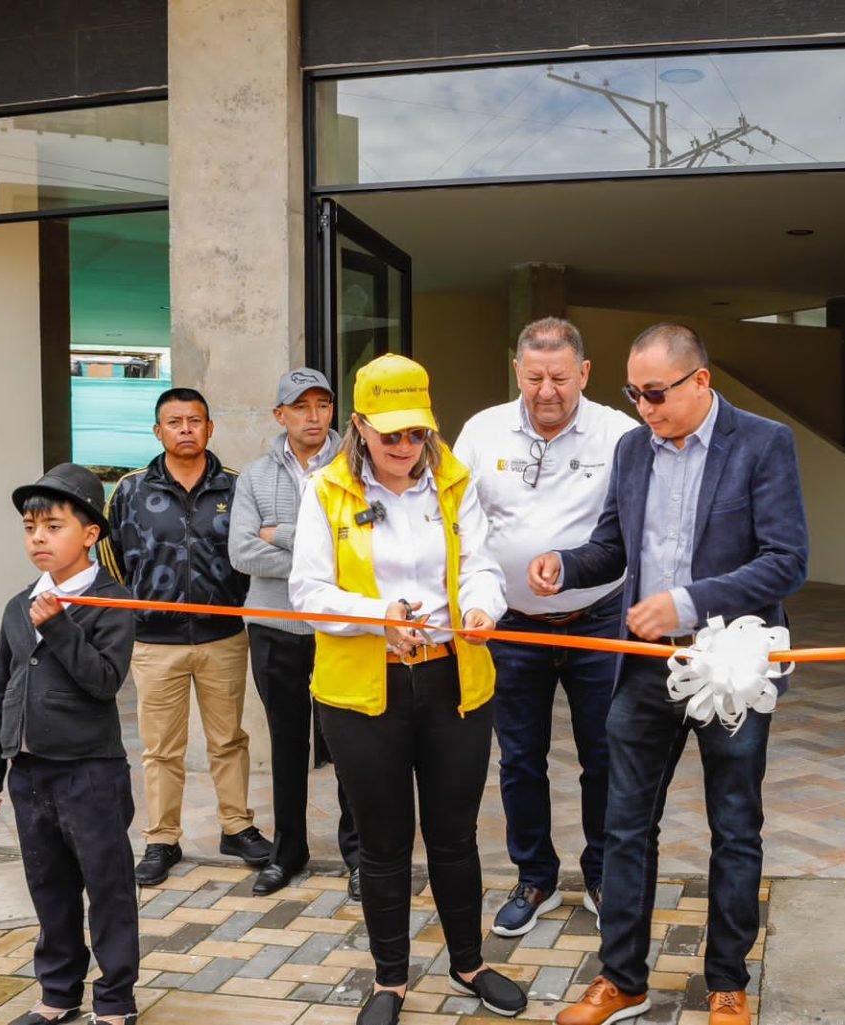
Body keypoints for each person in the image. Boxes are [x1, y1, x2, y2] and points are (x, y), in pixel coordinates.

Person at [534, 323, 809, 1025]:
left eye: (655, 393)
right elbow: (610, 546)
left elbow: (786, 561)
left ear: (700, 381)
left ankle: (727, 982)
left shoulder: (764, 443)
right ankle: (621, 978)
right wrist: (565, 564)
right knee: (625, 826)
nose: (643, 407)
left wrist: (686, 602)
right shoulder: (633, 449)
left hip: (732, 666)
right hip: (647, 668)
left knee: (735, 827)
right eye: (633, 393)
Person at [290, 353, 527, 1025]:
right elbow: (309, 590)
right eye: (389, 434)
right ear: (360, 426)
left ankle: (468, 962)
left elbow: (480, 565)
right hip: (363, 692)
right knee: (383, 840)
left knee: (454, 834)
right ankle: (390, 978)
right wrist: (378, 617)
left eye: (415, 432)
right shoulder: (327, 489)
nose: (403, 446)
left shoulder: (454, 481)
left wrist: (480, 607)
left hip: (454, 680)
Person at [453, 317, 637, 935]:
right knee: (520, 759)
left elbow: (639, 528)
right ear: (517, 371)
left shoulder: (620, 434)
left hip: (599, 618)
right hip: (511, 624)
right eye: (534, 378)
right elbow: (458, 523)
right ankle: (535, 877)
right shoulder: (481, 431)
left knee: (605, 754)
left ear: (584, 372)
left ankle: (603, 873)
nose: (546, 391)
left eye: (559, 378)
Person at [0, 464, 139, 1025]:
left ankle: (115, 1000)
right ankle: (59, 993)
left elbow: (104, 681)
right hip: (29, 773)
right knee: (49, 886)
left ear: (90, 534)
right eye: (30, 528)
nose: (38, 538)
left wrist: (60, 627)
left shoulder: (112, 602)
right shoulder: (19, 605)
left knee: (108, 887)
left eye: (53, 526)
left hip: (90, 773)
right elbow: (1, 689)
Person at [100, 387, 272, 885]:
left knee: (228, 739)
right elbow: (110, 556)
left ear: (209, 428)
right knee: (161, 748)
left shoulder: (236, 487)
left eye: (194, 421)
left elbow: (249, 555)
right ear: (158, 431)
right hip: (155, 643)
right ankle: (162, 838)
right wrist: (138, 608)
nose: (185, 430)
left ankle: (236, 826)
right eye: (174, 422)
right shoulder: (131, 490)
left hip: (223, 637)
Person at [230, 368, 361, 896]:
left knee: (350, 745)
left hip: (338, 628)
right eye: (301, 406)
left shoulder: (355, 467)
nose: (314, 416)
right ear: (279, 415)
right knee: (286, 745)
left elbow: (361, 547)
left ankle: (360, 856)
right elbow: (242, 552)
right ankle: (288, 852)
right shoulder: (254, 476)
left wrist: (280, 534)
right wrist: (318, 556)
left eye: (323, 405)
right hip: (273, 626)